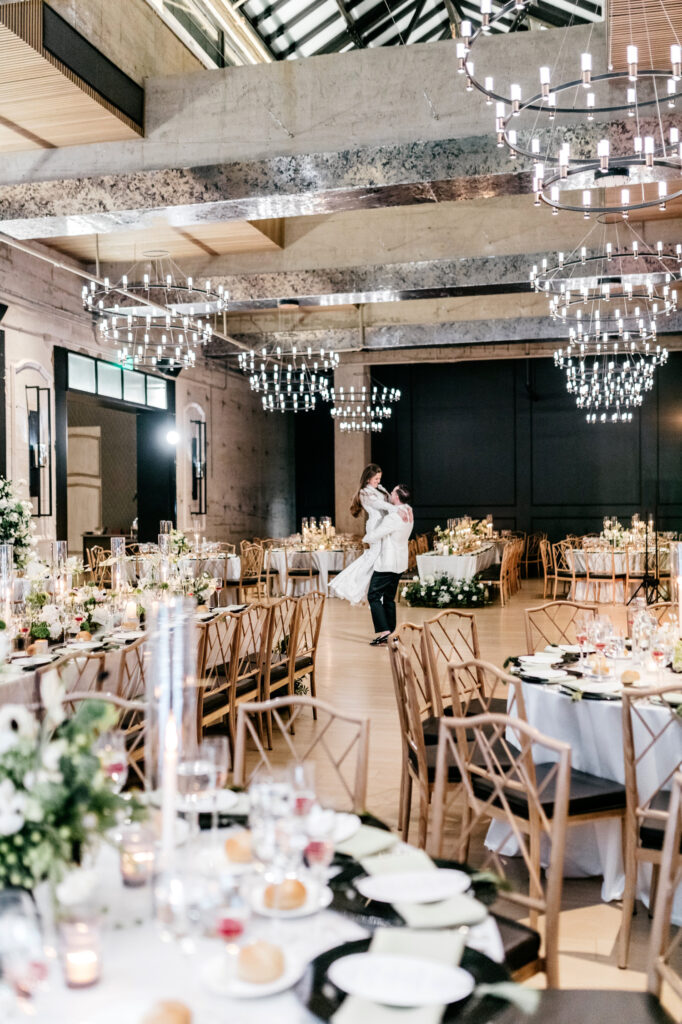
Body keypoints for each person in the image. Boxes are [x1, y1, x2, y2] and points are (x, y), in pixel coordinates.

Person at [329, 463, 392, 606]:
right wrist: (394, 509)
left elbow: (387, 501)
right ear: (368, 479)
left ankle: (373, 590)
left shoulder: (379, 489)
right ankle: (352, 583)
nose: (378, 481)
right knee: (372, 556)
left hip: (383, 525)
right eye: (376, 479)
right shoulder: (364, 492)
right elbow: (379, 506)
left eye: (379, 478)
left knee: (379, 558)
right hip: (375, 526)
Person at [365, 484, 413, 646]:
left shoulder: (394, 517)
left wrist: (365, 538)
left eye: (392, 492)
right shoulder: (409, 511)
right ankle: (392, 633)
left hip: (388, 562)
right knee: (389, 598)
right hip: (400, 561)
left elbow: (375, 535)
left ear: (397, 497)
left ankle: (385, 632)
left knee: (373, 595)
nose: (390, 494)